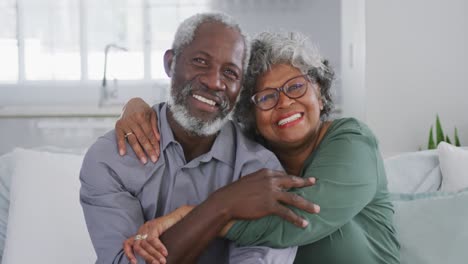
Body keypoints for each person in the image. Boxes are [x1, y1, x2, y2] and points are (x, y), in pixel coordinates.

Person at [117, 31, 401, 263]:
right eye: (266, 97)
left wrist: (197, 215)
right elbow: (189, 125)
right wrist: (135, 107)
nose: (284, 103)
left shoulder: (352, 140)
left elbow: (299, 221)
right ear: (251, 117)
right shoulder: (254, 160)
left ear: (321, 94)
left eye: (296, 87)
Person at [80, 13, 320, 264]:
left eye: (230, 72)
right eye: (200, 61)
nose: (215, 82)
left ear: (240, 89)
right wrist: (223, 205)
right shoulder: (111, 159)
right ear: (171, 63)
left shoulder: (260, 171)